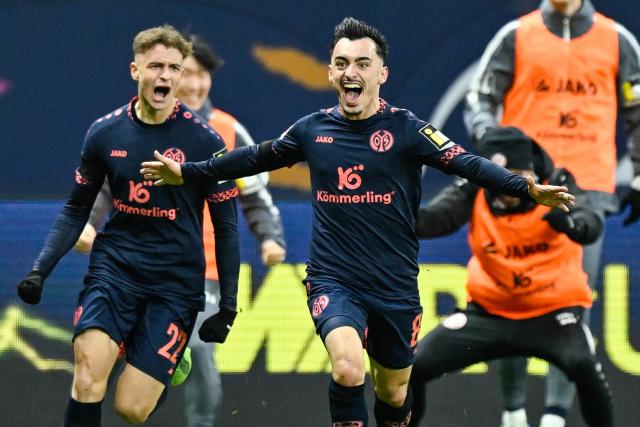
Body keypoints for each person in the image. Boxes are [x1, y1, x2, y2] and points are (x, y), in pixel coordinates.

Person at [140, 17, 575, 427]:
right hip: (334, 280)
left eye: (363, 63)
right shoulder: (312, 131)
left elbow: (467, 163)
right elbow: (254, 157)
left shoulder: (407, 131)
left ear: (381, 74)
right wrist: (190, 171)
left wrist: (527, 189)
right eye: (343, 63)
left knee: (394, 390)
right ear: (331, 73)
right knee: (348, 368)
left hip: (395, 286)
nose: (353, 71)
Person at [16, 25, 240, 426]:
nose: (167, 77)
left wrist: (228, 307)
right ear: (135, 70)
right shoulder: (104, 133)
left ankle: (159, 360)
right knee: (87, 379)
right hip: (114, 271)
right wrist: (39, 271)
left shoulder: (206, 143)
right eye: (156, 66)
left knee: (131, 409)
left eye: (175, 68)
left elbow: (226, 227)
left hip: (174, 284)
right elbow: (75, 209)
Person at [74, 34, 286, 427]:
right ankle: (158, 364)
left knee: (201, 348)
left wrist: (271, 238)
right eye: (182, 73)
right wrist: (87, 224)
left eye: (199, 75)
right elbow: (106, 186)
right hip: (134, 264)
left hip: (197, 270)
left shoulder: (225, 130)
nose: (191, 84)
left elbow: (255, 196)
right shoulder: (131, 127)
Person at [463, 1, 640, 425]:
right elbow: (479, 96)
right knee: (513, 294)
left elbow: (637, 112)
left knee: (572, 302)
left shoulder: (617, 40)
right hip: (525, 188)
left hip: (589, 190)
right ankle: (513, 413)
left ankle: (555, 418)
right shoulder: (516, 35)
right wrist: (496, 146)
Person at [407, 126, 612, 427]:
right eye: (498, 181)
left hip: (552, 315)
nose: (506, 191)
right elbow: (434, 220)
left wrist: (570, 225)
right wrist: (390, 205)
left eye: (516, 180)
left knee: (583, 365)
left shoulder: (556, 183)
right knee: (414, 367)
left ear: (530, 171)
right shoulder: (474, 189)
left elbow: (590, 221)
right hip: (489, 316)